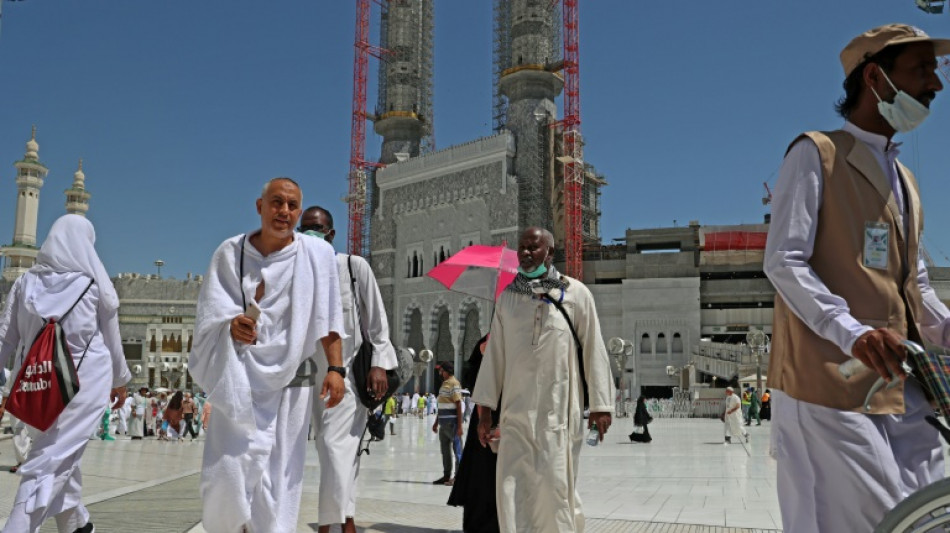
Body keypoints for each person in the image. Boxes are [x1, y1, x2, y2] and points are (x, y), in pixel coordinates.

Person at [763, 24, 950, 533]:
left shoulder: (904, 180)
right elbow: (785, 262)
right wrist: (855, 333)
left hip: (902, 383)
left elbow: (915, 284)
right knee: (855, 520)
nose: (935, 84)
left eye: (936, 70)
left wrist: (945, 329)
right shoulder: (817, 155)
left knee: (924, 515)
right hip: (828, 385)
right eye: (921, 70)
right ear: (875, 78)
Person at [189, 177, 345, 533]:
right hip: (238, 380)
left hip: (290, 382)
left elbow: (329, 316)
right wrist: (231, 323)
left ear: (299, 212)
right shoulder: (230, 253)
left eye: (292, 206)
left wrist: (336, 368)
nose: (284, 212)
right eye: (276, 203)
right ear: (260, 207)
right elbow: (210, 314)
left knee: (278, 477)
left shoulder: (317, 255)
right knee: (227, 473)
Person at [474, 227, 615, 532]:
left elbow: (594, 348)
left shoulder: (576, 294)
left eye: (533, 248)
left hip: (558, 413)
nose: (525, 253)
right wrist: (485, 410)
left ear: (550, 253)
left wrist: (601, 405)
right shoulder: (508, 299)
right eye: (521, 247)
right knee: (512, 487)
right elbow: (495, 356)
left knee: (555, 488)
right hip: (515, 414)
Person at [0, 214, 131, 533]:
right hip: (85, 385)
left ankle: (76, 526)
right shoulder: (95, 283)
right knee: (48, 461)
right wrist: (121, 381)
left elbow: (5, 340)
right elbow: (112, 340)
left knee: (55, 450)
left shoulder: (24, 282)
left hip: (38, 383)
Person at [299, 206, 398, 533]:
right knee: (332, 452)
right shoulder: (296, 272)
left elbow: (377, 321)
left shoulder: (353, 267)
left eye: (317, 227)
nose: (311, 233)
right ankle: (344, 517)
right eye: (306, 228)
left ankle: (334, 524)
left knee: (334, 447)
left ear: (331, 234)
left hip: (347, 376)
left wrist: (380, 364)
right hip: (307, 379)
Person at [448, 335, 500, 533]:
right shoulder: (489, 341)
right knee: (485, 478)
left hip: (497, 419)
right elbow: (478, 379)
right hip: (489, 421)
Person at [432, 361, 464, 486]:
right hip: (443, 425)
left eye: (441, 370)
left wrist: (460, 426)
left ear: (447, 371)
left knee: (458, 451)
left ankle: (458, 477)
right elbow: (441, 406)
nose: (440, 372)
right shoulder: (444, 384)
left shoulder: (454, 383)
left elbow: (458, 404)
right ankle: (446, 475)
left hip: (453, 424)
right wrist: (436, 422)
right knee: (445, 451)